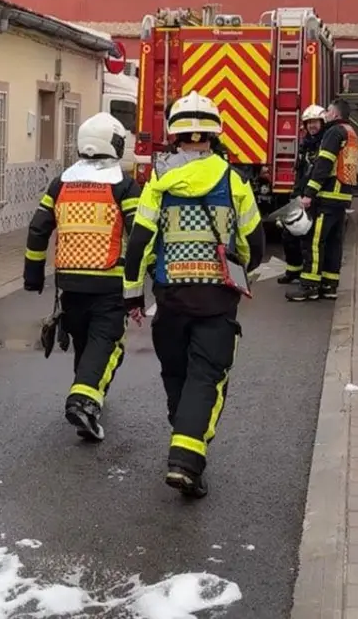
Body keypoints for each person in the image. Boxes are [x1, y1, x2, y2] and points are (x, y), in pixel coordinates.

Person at [121, 91, 264, 498]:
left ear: (174, 136)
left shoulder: (158, 186)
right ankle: (185, 457)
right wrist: (239, 269)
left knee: (177, 374)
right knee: (208, 376)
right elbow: (256, 243)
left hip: (170, 303)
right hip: (216, 304)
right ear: (214, 135)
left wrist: (134, 298)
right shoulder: (234, 181)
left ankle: (186, 447)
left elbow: (139, 247)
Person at [24, 112, 141, 442]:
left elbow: (38, 229)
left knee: (85, 341)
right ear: (115, 145)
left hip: (69, 285)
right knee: (107, 342)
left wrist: (33, 276)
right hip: (108, 282)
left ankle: (87, 392)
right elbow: (141, 233)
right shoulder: (124, 186)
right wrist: (146, 278)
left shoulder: (60, 183)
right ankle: (84, 401)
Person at [286, 97, 358, 302]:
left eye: (327, 111)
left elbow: (323, 165)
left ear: (335, 114)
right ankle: (329, 285)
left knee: (314, 242)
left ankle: (309, 285)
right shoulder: (351, 133)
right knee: (334, 243)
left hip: (327, 196)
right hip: (342, 197)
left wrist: (309, 194)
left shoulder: (334, 132)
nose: (324, 114)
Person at [277, 105, 327, 285]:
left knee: (308, 238)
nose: (312, 126)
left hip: (315, 198)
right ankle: (293, 270)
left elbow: (320, 173)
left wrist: (309, 195)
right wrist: (295, 194)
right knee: (288, 233)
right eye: (309, 123)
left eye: (315, 122)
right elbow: (300, 172)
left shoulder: (325, 143)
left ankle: (308, 275)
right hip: (301, 195)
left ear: (322, 122)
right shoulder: (306, 144)